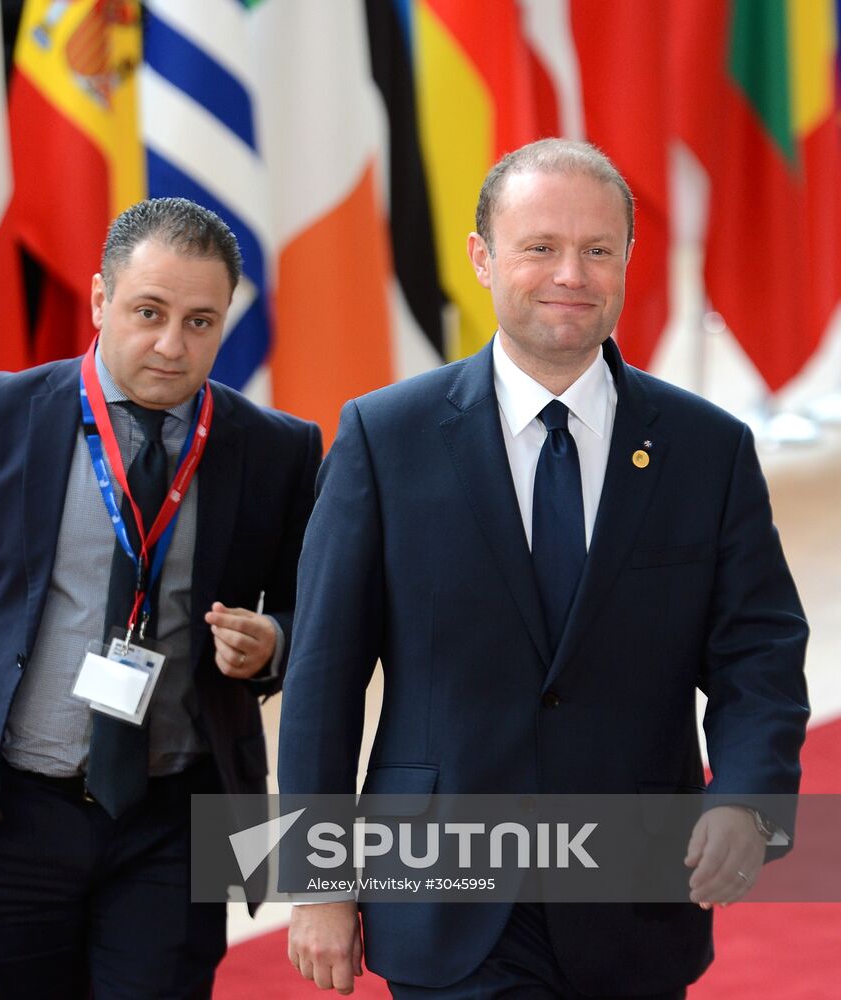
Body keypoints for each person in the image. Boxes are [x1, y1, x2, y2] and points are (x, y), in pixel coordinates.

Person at [279, 139, 809, 998]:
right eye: (540, 248)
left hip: (633, 897)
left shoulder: (707, 449)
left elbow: (760, 654)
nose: (572, 273)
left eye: (598, 250)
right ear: (482, 260)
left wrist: (746, 797)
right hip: (444, 894)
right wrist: (317, 877)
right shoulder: (386, 438)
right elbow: (323, 679)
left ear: (629, 261)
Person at [0, 196, 322, 999]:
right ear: (98, 300)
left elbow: (307, 611)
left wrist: (273, 642)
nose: (170, 345)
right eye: (148, 312)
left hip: (180, 816)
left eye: (199, 322)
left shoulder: (277, 448)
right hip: (7, 807)